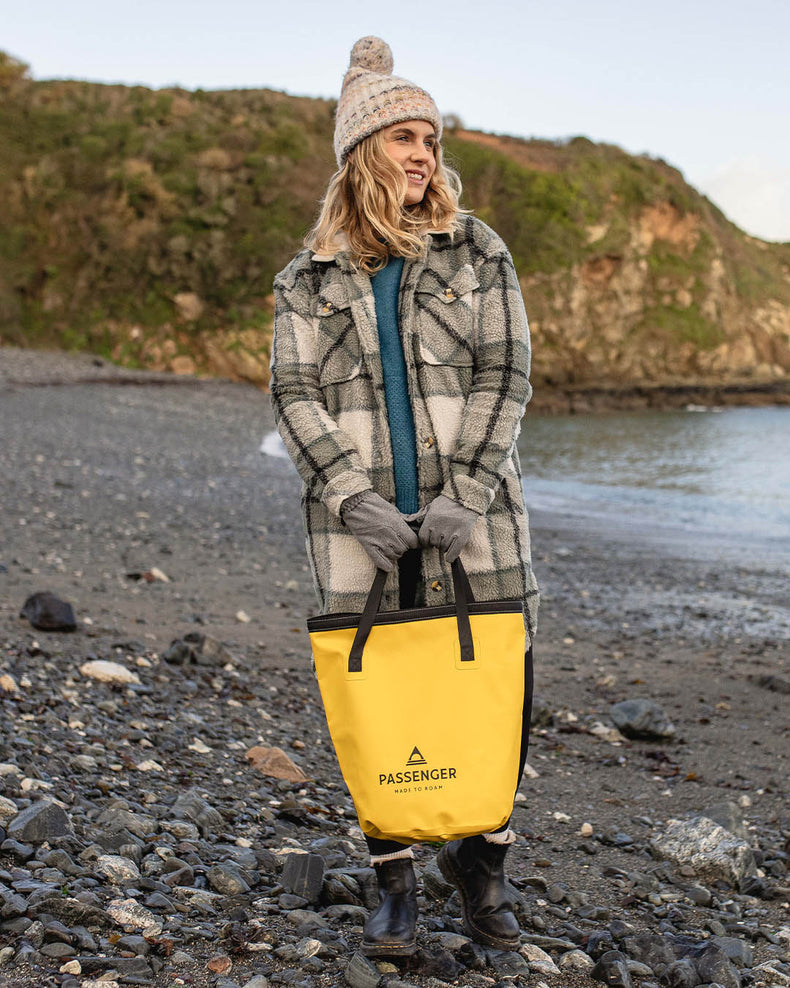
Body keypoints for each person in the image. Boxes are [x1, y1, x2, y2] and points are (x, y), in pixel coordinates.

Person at [270, 36, 539, 958]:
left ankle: (483, 868)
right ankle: (394, 887)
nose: (427, 152)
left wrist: (467, 491)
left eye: (432, 136)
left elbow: (509, 373)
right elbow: (293, 395)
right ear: (360, 153)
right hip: (358, 534)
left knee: (495, 688)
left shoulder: (478, 251)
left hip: (478, 526)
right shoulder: (304, 281)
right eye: (404, 137)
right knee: (380, 695)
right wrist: (351, 499)